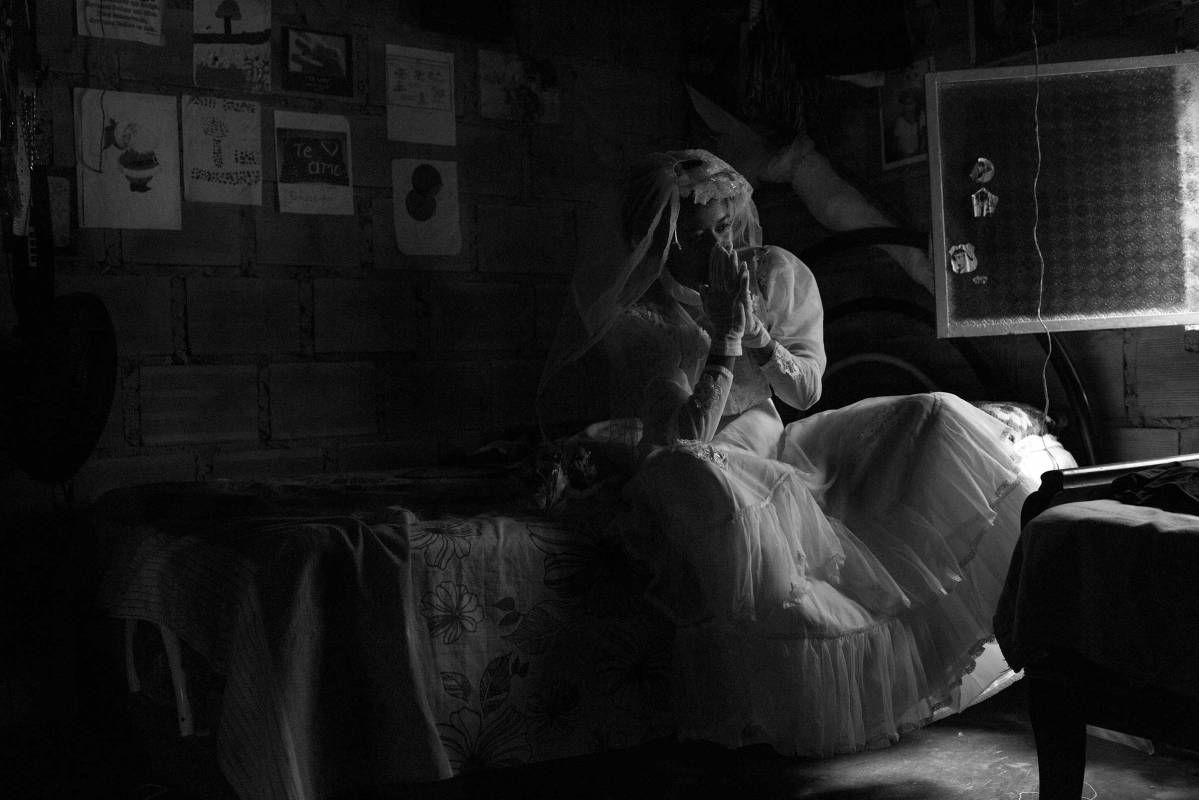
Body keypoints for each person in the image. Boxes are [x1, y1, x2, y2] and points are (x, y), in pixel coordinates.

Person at [538, 148, 1035, 757]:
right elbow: (680, 439)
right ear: (663, 246)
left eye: (725, 226)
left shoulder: (775, 272)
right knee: (702, 474)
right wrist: (721, 341)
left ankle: (963, 638)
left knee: (930, 412)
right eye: (696, 239)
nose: (719, 248)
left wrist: (758, 335)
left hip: (786, 437)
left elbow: (806, 390)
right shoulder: (641, 318)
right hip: (711, 452)